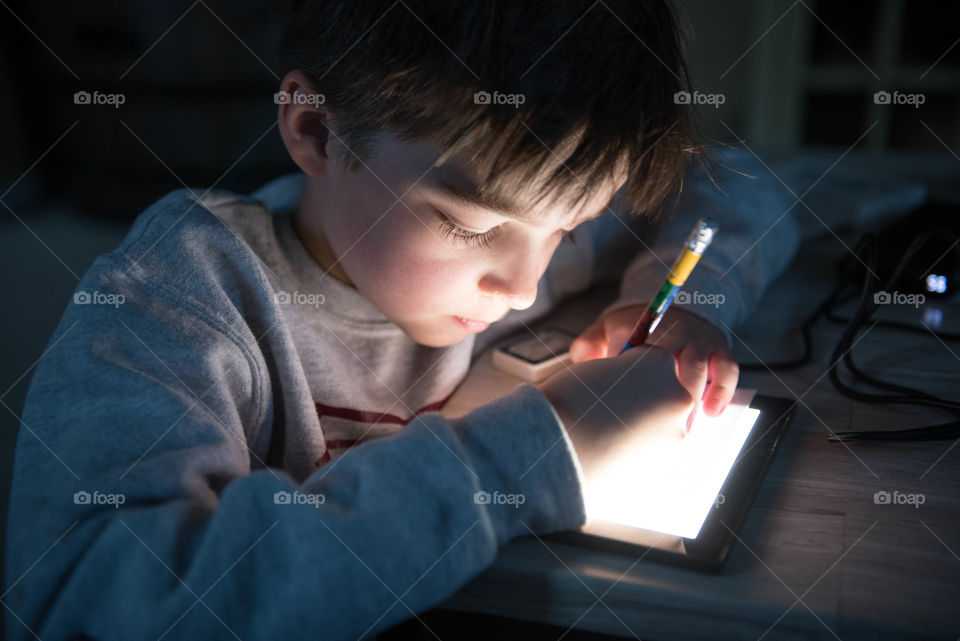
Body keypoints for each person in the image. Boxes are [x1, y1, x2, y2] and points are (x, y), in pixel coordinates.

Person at [4, 1, 797, 638]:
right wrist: (525, 457)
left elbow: (738, 183)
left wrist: (679, 295)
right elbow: (85, 601)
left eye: (566, 226)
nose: (524, 284)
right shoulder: (183, 294)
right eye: (470, 227)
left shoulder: (521, 202)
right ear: (316, 128)